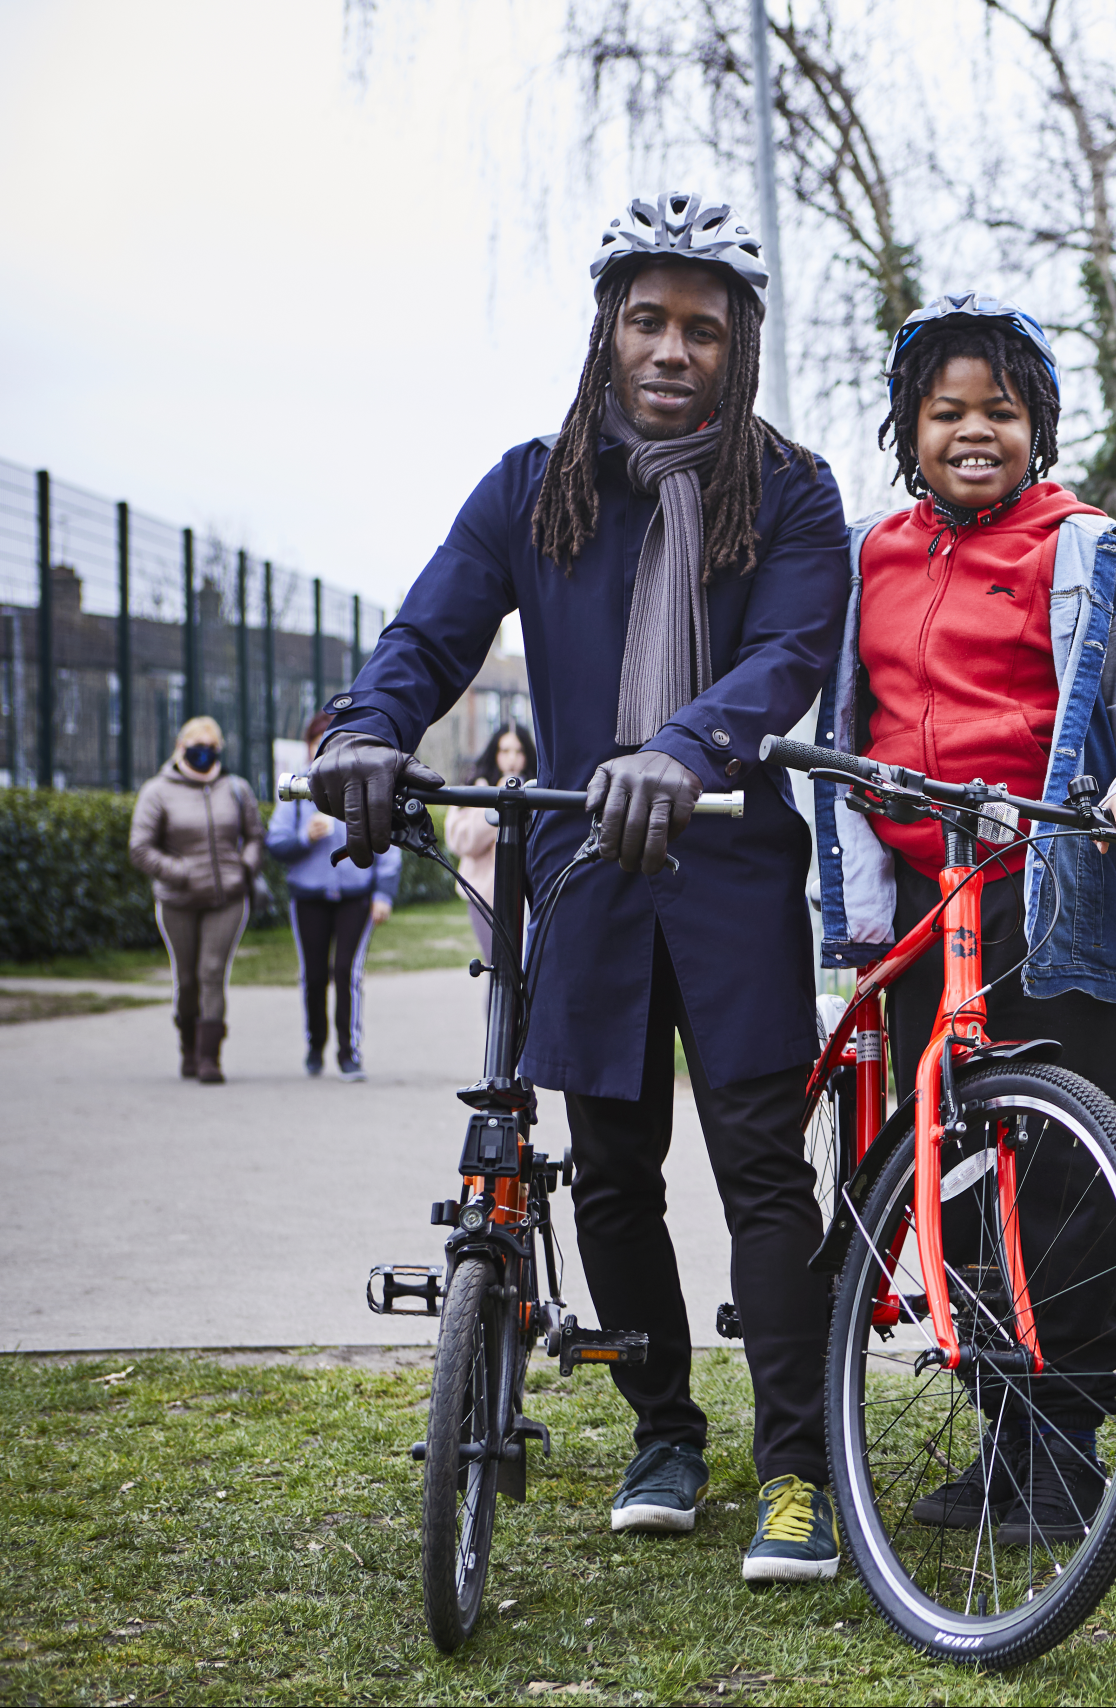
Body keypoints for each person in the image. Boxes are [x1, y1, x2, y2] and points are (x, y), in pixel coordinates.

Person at [305, 192, 851, 1586]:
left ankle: (796, 1471)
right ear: (608, 331)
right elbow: (429, 630)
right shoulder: (528, 487)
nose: (673, 349)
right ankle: (662, 1431)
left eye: (703, 329)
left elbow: (786, 658)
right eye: (647, 320)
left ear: (741, 349)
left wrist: (682, 749)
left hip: (727, 865)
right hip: (584, 869)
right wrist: (368, 725)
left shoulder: (791, 491)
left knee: (761, 1176)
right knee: (610, 1172)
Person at [812, 290, 1116, 1542]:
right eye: (944, 411)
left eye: (1000, 410)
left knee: (1065, 1188)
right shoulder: (867, 556)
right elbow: (846, 726)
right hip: (927, 919)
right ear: (905, 427)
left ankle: (1067, 1448)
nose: (972, 430)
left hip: (1055, 900)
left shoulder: (1088, 546)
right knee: (959, 1191)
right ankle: (998, 1438)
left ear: (1038, 424)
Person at [129, 715, 264, 1084]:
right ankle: (188, 1047)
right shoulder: (157, 791)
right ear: (180, 747)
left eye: (211, 746)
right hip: (177, 900)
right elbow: (140, 848)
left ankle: (209, 1058)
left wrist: (245, 869)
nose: (203, 753)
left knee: (211, 973)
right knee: (186, 979)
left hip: (228, 899)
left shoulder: (236, 789)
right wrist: (180, 872)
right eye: (196, 745)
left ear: (218, 749)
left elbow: (255, 835)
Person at [268, 710, 402, 1080]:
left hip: (355, 894)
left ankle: (349, 1052)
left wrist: (384, 894)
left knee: (346, 971)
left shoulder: (363, 782)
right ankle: (315, 1045)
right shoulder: (296, 789)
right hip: (308, 894)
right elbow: (275, 843)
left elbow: (387, 844)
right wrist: (302, 838)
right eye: (317, 741)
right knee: (313, 974)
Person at [443, 723, 537, 961]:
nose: (512, 759)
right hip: (486, 896)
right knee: (500, 970)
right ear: (494, 753)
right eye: (504, 751)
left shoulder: (539, 788)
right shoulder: (477, 786)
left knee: (529, 972)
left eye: (519, 751)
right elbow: (460, 840)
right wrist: (495, 806)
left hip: (532, 895)